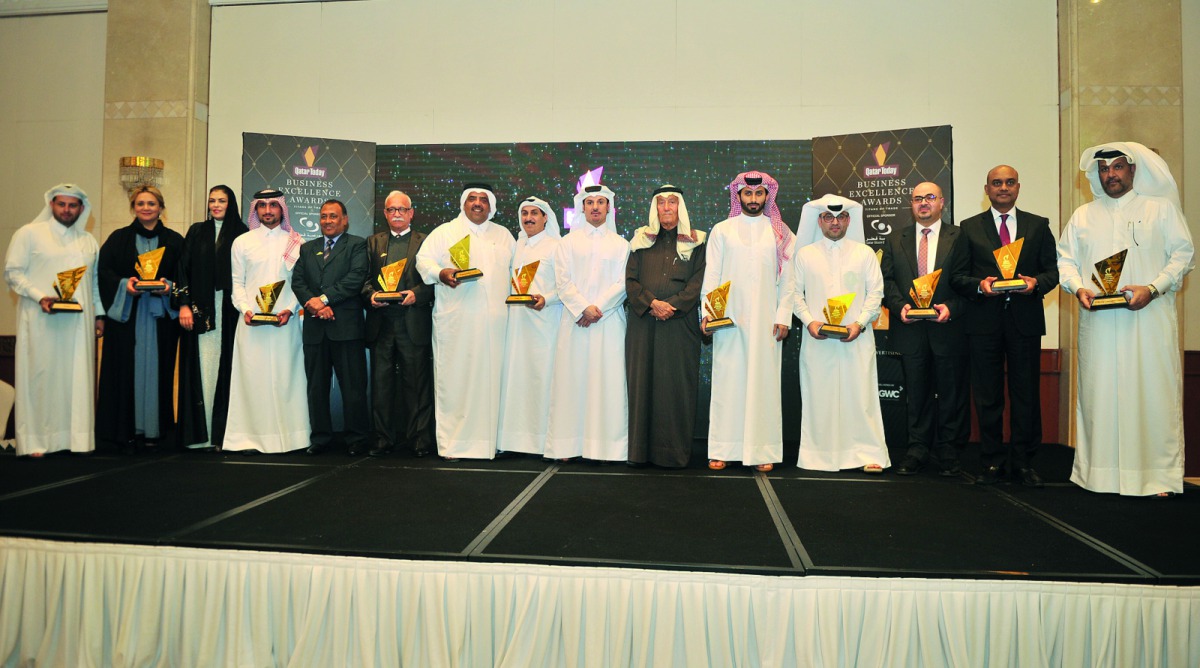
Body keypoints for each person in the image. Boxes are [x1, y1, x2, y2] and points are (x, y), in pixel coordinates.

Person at [1056, 142, 1194, 497]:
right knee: (1099, 394)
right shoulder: (1084, 215)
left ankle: (1156, 478)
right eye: (1104, 169)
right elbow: (1065, 260)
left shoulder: (1160, 209)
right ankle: (1099, 476)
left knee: (1150, 393)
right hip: (1098, 324)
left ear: (1133, 170)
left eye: (1118, 167)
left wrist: (1153, 287)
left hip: (1147, 321)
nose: (1111, 175)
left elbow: (1183, 255)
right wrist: (1076, 288)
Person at [950, 166, 1058, 486]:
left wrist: (1035, 283)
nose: (1003, 188)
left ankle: (1023, 463)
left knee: (1026, 396)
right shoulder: (969, 228)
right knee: (988, 397)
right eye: (997, 183)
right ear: (987, 189)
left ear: (1018, 187)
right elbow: (957, 277)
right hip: (983, 322)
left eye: (1009, 182)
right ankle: (992, 462)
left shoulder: (1038, 226)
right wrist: (979, 286)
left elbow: (1054, 272)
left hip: (1024, 322)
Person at [701, 172, 795, 473]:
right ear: (737, 196)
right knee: (728, 382)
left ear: (768, 196)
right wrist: (708, 314)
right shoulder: (722, 230)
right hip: (728, 318)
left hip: (767, 321)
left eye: (758, 194)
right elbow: (712, 274)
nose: (753, 199)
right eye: (747, 194)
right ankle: (722, 449)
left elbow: (789, 282)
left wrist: (783, 317)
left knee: (763, 384)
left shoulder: (780, 232)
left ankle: (762, 450)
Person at [416, 183, 515, 460]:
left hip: (495, 326)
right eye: (472, 198)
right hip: (457, 323)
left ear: (491, 205)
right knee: (455, 381)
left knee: (492, 380)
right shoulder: (444, 232)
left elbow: (518, 275)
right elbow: (422, 262)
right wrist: (441, 272)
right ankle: (453, 445)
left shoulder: (504, 235)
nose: (477, 203)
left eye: (483, 199)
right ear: (463, 203)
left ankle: (491, 443)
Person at [4, 184, 104, 457]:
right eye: (62, 204)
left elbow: (93, 284)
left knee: (76, 378)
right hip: (40, 321)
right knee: (41, 377)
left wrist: (99, 315)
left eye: (73, 205)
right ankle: (37, 441)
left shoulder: (87, 241)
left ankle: (76, 440)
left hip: (78, 325)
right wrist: (40, 297)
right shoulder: (29, 234)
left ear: (81, 209)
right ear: (52, 205)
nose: (67, 210)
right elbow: (13, 273)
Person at [792, 195, 890, 473]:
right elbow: (795, 295)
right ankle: (818, 456)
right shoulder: (805, 254)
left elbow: (876, 294)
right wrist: (810, 322)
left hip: (856, 338)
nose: (835, 223)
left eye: (840, 217)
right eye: (828, 218)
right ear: (819, 221)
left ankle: (867, 454)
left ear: (848, 220)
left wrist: (859, 323)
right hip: (817, 339)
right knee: (818, 396)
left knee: (860, 396)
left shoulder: (864, 253)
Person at [880, 181, 970, 476]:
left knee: (950, 393)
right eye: (918, 198)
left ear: (941, 202)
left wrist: (952, 308)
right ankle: (917, 448)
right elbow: (887, 280)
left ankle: (948, 450)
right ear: (911, 203)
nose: (923, 203)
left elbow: (969, 280)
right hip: (911, 329)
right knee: (916, 393)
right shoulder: (897, 239)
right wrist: (899, 306)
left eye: (930, 197)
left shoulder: (960, 237)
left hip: (948, 328)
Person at [545, 184, 631, 462]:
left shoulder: (621, 245)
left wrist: (597, 309)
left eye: (600, 202)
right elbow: (563, 281)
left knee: (607, 384)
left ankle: (607, 449)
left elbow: (623, 283)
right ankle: (567, 447)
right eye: (589, 202)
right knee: (573, 383)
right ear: (582, 207)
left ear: (609, 208)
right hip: (575, 323)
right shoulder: (567, 243)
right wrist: (583, 307)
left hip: (608, 323)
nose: (595, 207)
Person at [95, 185, 183, 453]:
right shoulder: (118, 239)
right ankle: (126, 431)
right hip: (127, 319)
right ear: (134, 207)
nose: (146, 208)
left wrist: (168, 286)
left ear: (161, 208)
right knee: (124, 372)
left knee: (160, 373)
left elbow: (187, 275)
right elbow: (103, 274)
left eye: (152, 203)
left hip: (161, 320)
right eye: (141, 203)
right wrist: (125, 285)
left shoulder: (175, 240)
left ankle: (156, 430)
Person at [223, 189, 310, 454]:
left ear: (282, 209)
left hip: (286, 323)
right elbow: (237, 284)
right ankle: (247, 439)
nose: (268, 210)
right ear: (256, 210)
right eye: (262, 205)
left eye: (273, 205)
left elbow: (301, 284)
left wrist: (290, 309)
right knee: (252, 380)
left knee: (287, 379)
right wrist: (246, 309)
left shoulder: (296, 242)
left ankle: (292, 438)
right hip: (251, 326)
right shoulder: (242, 242)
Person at [625, 185, 707, 468]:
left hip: (679, 325)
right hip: (643, 324)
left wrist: (671, 305)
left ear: (680, 206)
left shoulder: (697, 242)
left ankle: (672, 454)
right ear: (655, 208)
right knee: (642, 385)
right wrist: (652, 303)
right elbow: (631, 281)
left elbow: (698, 283)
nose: (667, 208)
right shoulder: (639, 240)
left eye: (672, 202)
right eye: (661, 203)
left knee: (675, 388)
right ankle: (639, 452)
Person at [292, 199, 370, 456]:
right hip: (315, 329)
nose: (327, 221)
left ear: (345, 219)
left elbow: (355, 279)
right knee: (316, 387)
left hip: (346, 329)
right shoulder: (307, 248)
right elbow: (298, 282)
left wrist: (323, 300)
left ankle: (356, 438)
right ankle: (321, 438)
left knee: (353, 387)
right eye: (324, 216)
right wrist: (314, 305)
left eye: (333, 216)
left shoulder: (357, 245)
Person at [175, 185, 248, 450]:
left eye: (222, 200)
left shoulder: (242, 233)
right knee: (200, 370)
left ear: (231, 204)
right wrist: (183, 305)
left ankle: (221, 436)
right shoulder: (197, 231)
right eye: (212, 200)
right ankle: (198, 436)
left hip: (230, 313)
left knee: (226, 370)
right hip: (198, 313)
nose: (216, 205)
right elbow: (182, 269)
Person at [362, 190, 434, 457]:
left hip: (412, 323)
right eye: (391, 210)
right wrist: (371, 295)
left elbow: (434, 281)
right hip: (381, 325)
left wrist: (417, 294)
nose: (396, 215)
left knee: (417, 385)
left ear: (411, 213)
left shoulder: (426, 242)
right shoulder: (373, 243)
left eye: (402, 210)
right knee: (381, 386)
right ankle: (382, 439)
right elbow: (363, 280)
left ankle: (419, 440)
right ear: (385, 214)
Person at [496, 197, 563, 456]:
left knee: (543, 379)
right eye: (524, 213)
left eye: (535, 213)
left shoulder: (557, 246)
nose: (529, 218)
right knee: (517, 380)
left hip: (546, 323)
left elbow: (565, 284)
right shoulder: (517, 245)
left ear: (546, 217)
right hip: (517, 325)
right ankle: (513, 442)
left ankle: (543, 443)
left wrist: (547, 298)